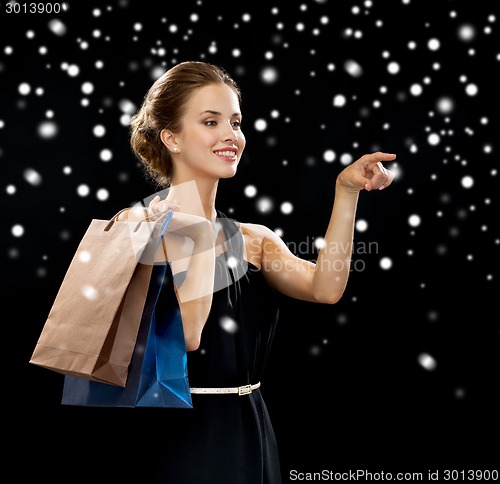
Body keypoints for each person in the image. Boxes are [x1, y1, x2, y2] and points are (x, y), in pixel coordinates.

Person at [125, 60, 395, 483]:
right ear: (171, 138)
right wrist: (192, 230)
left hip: (251, 426)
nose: (230, 135)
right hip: (178, 436)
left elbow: (325, 289)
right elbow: (189, 336)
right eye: (211, 121)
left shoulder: (255, 238)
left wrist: (346, 192)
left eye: (235, 121)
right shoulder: (137, 224)